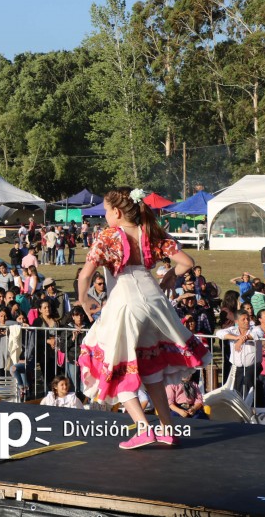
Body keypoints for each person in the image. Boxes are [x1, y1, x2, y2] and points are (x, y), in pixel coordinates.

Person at [77, 187, 211, 449]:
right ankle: (167, 429)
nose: (105, 215)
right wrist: (171, 275)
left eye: (106, 211)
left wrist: (83, 300)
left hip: (126, 303)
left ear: (117, 212)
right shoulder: (150, 231)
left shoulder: (109, 236)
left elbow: (85, 275)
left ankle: (143, 428)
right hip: (155, 302)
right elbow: (187, 261)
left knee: (116, 366)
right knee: (151, 369)